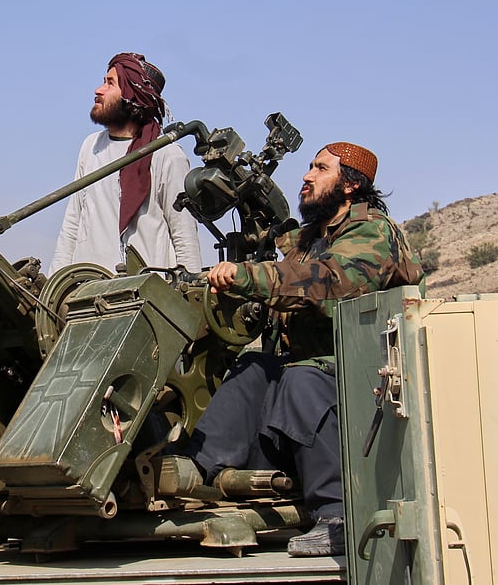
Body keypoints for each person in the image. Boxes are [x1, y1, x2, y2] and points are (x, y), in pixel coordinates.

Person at [181, 141, 423, 557]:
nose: (307, 176)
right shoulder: (309, 238)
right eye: (309, 167)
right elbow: (280, 269)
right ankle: (193, 470)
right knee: (255, 366)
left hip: (369, 378)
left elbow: (329, 282)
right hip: (317, 378)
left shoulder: (373, 231)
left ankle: (337, 514)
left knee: (300, 377)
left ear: (349, 185)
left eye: (320, 169)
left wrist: (248, 276)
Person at [49, 53, 202, 275]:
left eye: (110, 83)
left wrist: (191, 293)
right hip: (88, 291)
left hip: (145, 298)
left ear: (133, 95)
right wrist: (55, 283)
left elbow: (184, 234)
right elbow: (73, 222)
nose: (98, 90)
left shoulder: (166, 154)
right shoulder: (90, 146)